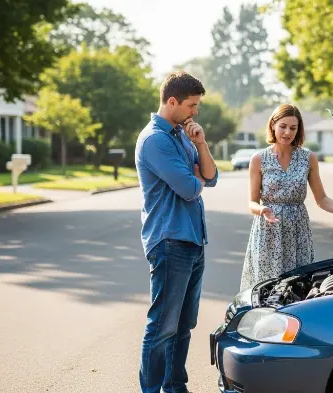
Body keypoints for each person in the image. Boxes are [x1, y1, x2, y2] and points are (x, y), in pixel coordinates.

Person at [135, 71, 218, 393]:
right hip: (170, 241)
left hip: (193, 239)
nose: (195, 112)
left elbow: (209, 178)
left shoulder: (182, 134)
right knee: (162, 327)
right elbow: (187, 188)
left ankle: (174, 388)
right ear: (172, 101)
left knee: (183, 326)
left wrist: (201, 144)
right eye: (191, 105)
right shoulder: (155, 139)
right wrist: (195, 176)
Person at [239, 104, 333, 290]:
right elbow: (252, 202)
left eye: (293, 128)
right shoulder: (258, 159)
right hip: (268, 232)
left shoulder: (308, 158)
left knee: (297, 286)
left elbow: (322, 199)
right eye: (283, 126)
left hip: (298, 231)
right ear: (273, 125)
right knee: (267, 289)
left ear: (298, 130)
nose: (288, 132)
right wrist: (262, 209)